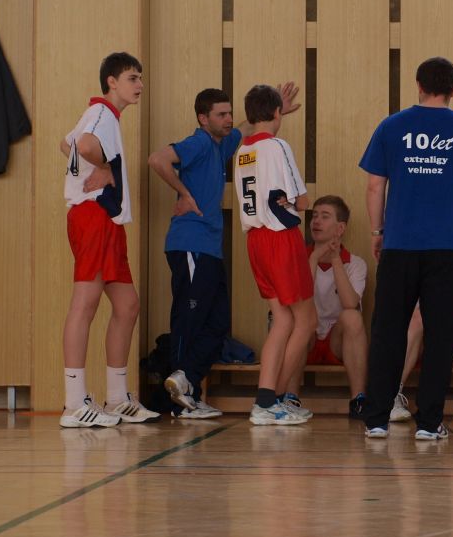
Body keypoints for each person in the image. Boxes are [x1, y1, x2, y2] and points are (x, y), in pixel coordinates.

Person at [359, 57, 453, 441]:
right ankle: (428, 423)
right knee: (443, 335)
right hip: (448, 248)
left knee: (388, 331)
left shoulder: (391, 126)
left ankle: (376, 419)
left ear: (418, 84)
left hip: (399, 244)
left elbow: (375, 186)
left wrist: (377, 230)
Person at [148, 84, 301, 420]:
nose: (229, 119)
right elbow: (157, 159)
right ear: (203, 119)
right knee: (189, 321)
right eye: (221, 114)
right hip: (190, 244)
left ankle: (188, 386)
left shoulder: (222, 143)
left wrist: (274, 111)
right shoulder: (200, 142)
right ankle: (181, 400)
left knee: (217, 323)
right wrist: (183, 194)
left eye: (230, 112)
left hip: (209, 248)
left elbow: (247, 129)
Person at [59, 52, 156, 427]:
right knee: (85, 304)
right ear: (111, 82)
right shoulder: (101, 112)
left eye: (140, 78)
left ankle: (116, 399)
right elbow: (83, 146)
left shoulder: (102, 116)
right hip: (93, 216)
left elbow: (66, 144)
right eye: (132, 78)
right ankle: (74, 403)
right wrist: (103, 168)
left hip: (107, 220)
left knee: (127, 305)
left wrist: (97, 166)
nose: (140, 85)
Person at [234, 84, 317, 426]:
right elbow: (303, 201)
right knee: (306, 321)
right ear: (278, 112)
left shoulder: (242, 150)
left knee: (282, 320)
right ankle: (272, 401)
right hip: (280, 238)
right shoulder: (278, 145)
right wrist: (294, 201)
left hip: (255, 240)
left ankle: (267, 401)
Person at [297, 194, 368, 418]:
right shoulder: (299, 257)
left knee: (352, 317)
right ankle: (290, 398)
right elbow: (301, 300)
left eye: (325, 216)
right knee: (296, 320)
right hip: (306, 337)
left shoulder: (355, 263)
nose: (316, 221)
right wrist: (313, 258)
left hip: (337, 342)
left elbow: (350, 304)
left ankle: (358, 400)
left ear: (340, 228)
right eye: (314, 216)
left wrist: (336, 259)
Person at [392, 263, 453, 424]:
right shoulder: (410, 266)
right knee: (418, 318)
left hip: (449, 343)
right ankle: (392, 394)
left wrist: (452, 316)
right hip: (417, 341)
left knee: (451, 319)